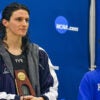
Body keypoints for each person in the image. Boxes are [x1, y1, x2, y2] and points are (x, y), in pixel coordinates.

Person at [0, 2, 58, 100]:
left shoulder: (39, 53)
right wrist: (17, 98)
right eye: (19, 19)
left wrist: (42, 99)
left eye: (27, 20)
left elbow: (52, 88)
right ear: (5, 22)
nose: (24, 24)